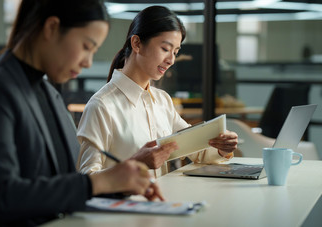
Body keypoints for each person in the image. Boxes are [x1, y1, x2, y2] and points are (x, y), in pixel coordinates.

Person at [0, 1, 163, 226]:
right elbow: (1, 196)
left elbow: (64, 188)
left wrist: (120, 185)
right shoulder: (0, 89)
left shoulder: (50, 96)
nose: (88, 62)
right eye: (86, 46)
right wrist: (99, 183)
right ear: (52, 27)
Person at [77, 6, 238, 177]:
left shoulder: (162, 101)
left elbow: (197, 151)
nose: (171, 60)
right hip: (126, 203)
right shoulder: (102, 106)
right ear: (137, 44)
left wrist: (222, 148)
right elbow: (86, 178)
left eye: (175, 52)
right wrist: (135, 164)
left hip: (162, 201)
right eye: (165, 49)